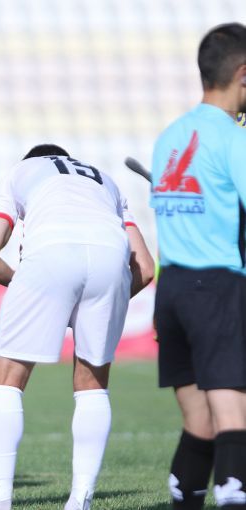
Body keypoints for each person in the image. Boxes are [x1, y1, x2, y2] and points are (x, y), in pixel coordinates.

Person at [0, 145, 155, 510]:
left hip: (51, 250)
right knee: (93, 385)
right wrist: (105, 304)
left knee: (6, 380)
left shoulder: (20, 172)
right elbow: (146, 269)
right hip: (109, 257)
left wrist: (34, 293)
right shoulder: (106, 181)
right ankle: (80, 500)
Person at [151, 23, 246, 510]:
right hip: (217, 287)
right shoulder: (232, 139)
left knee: (199, 423)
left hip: (172, 291)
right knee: (233, 416)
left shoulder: (170, 136)